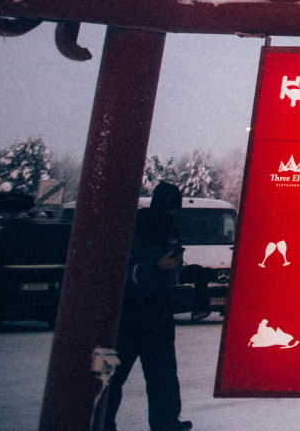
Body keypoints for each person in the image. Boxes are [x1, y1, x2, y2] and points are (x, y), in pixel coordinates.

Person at [104, 182, 190, 431]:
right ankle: (102, 422)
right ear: (160, 205)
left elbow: (174, 264)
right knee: (114, 375)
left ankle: (166, 423)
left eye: (176, 208)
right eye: (170, 208)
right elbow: (122, 272)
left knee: (163, 375)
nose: (173, 213)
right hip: (131, 312)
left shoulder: (172, 229)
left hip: (160, 311)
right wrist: (155, 268)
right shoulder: (136, 228)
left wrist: (186, 270)